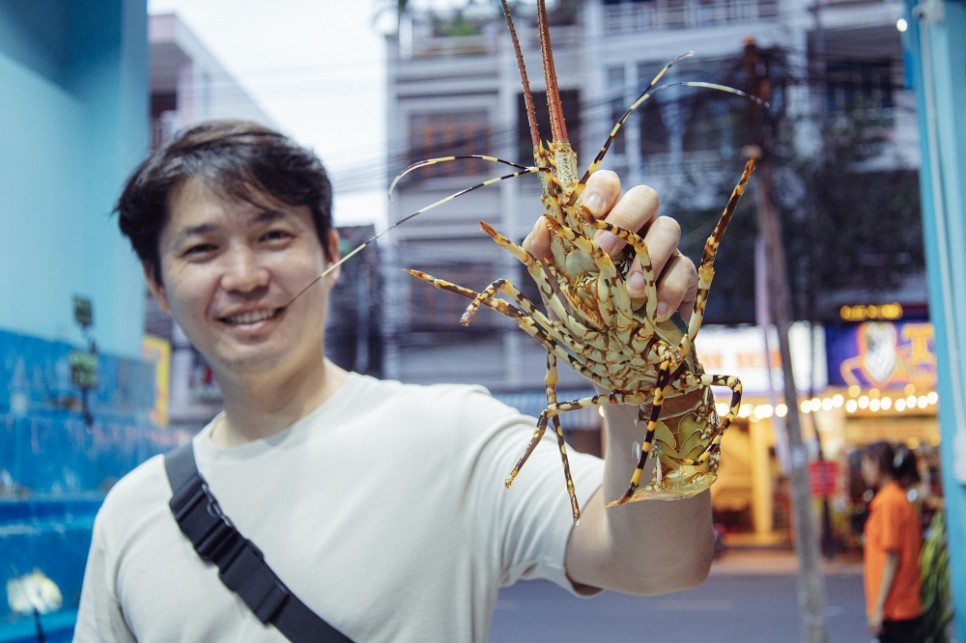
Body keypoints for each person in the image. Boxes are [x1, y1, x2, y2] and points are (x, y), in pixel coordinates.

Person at [75, 119, 713, 642]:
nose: (243, 276)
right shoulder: (131, 515)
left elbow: (658, 560)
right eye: (201, 249)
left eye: (272, 235)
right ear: (157, 285)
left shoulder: (455, 435)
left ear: (332, 253)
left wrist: (659, 369)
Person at [861, 440, 924, 642]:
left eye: (865, 464)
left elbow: (892, 557)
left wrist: (878, 608)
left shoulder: (889, 502)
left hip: (895, 608)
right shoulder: (895, 498)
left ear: (877, 464)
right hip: (900, 605)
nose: (863, 471)